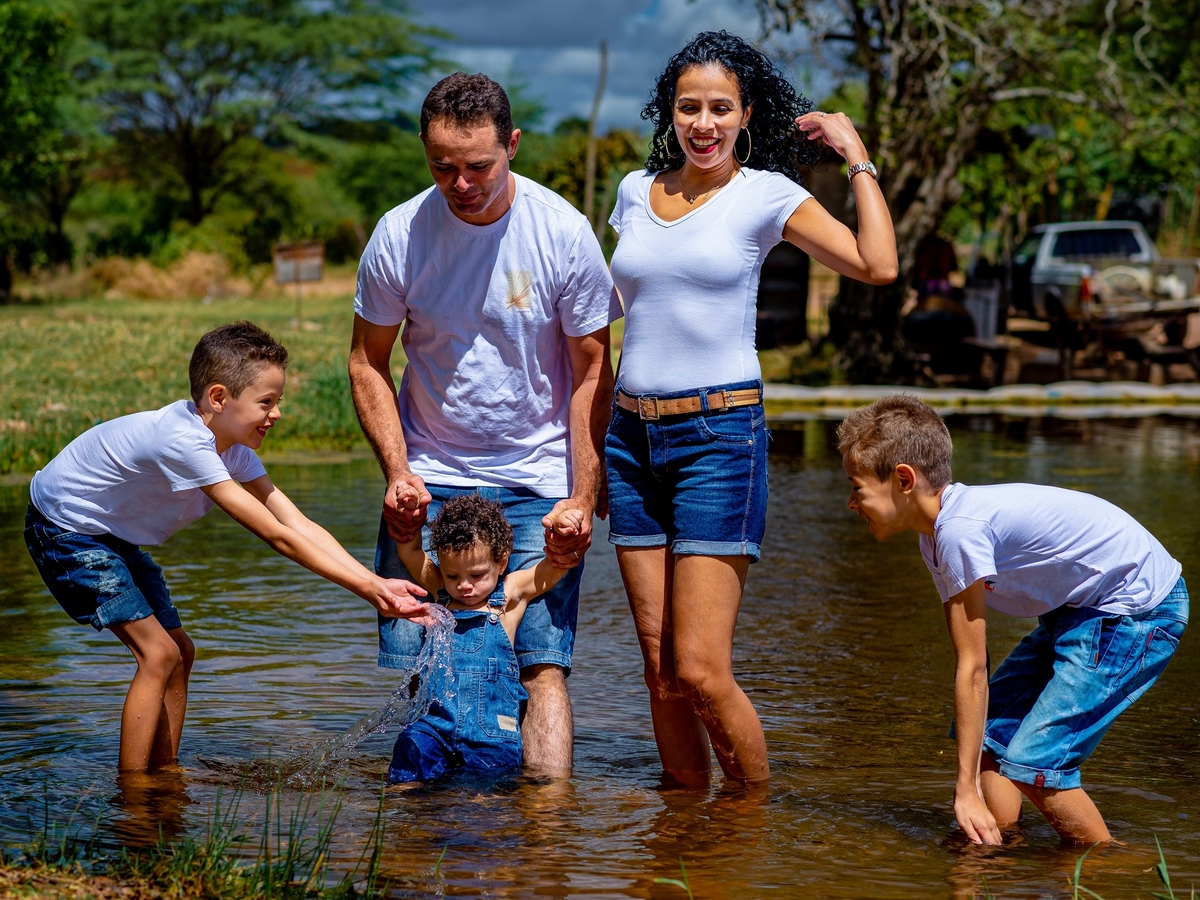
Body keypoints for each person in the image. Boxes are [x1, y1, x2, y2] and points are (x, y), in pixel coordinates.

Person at [605, 30, 897, 786]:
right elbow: (611, 322)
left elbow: (878, 264)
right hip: (630, 439)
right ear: (669, 112)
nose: (704, 123)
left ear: (746, 114)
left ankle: (746, 830)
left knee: (700, 669)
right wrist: (593, 451)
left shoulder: (767, 193)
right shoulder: (634, 193)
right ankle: (681, 833)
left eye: (720, 109)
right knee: (659, 671)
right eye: (689, 107)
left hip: (717, 437)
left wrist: (854, 153)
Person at [349, 72, 621, 776]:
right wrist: (398, 472)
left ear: (513, 146)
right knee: (425, 664)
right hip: (431, 476)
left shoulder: (561, 231)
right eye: (442, 166)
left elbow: (594, 372)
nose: (460, 183)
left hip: (536, 479)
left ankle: (545, 839)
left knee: (540, 666)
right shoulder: (399, 234)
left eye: (478, 166)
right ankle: (426, 835)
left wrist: (583, 498)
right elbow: (366, 362)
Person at [23, 321, 428, 773]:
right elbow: (277, 537)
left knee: (181, 652)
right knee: (158, 654)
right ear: (219, 398)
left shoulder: (232, 450)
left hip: (109, 533)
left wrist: (377, 582)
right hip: (64, 529)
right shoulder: (184, 443)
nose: (276, 414)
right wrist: (366, 591)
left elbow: (296, 522)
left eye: (278, 401)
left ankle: (167, 775)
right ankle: (136, 795)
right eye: (266, 402)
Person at [838, 394, 1188, 845]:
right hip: (1079, 609)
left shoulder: (960, 531)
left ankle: (1114, 869)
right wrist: (965, 785)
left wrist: (964, 788)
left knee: (1038, 762)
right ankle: (998, 853)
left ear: (903, 480)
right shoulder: (936, 537)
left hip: (1136, 610)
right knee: (989, 735)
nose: (851, 502)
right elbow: (973, 664)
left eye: (856, 486)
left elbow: (973, 668)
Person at [389, 493, 584, 782]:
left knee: (485, 798)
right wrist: (407, 518)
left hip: (492, 731)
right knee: (410, 750)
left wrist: (563, 530)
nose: (464, 586)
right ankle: (407, 815)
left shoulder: (508, 596)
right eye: (453, 575)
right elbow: (410, 552)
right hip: (436, 725)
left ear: (501, 562)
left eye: (477, 575)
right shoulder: (441, 591)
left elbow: (552, 568)